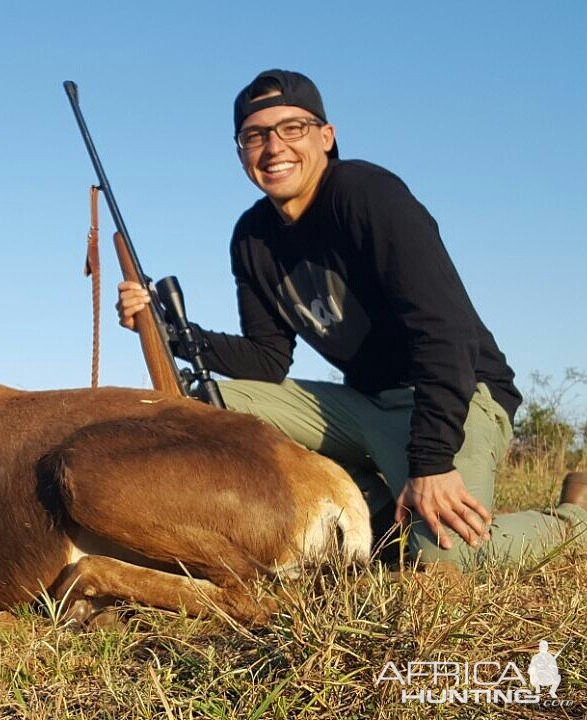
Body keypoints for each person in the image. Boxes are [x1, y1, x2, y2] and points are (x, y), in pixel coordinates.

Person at [117, 69, 587, 570]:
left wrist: (432, 463)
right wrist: (166, 328)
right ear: (240, 152)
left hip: (457, 396)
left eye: (291, 128)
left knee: (447, 563)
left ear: (326, 136)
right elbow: (267, 359)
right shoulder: (251, 237)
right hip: (363, 404)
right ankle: (379, 518)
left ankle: (573, 519)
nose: (273, 147)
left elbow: (445, 333)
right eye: (255, 135)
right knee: (205, 407)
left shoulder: (368, 194)